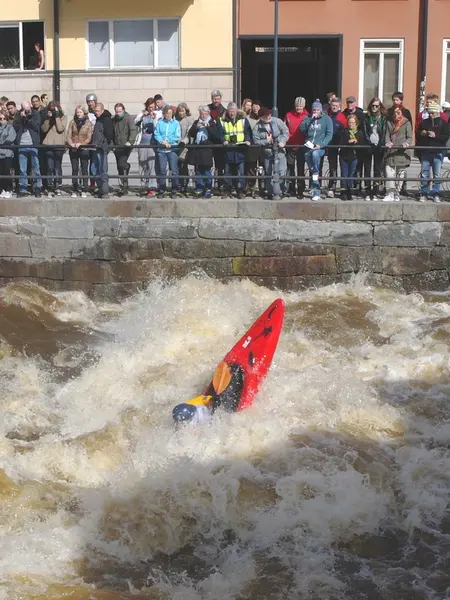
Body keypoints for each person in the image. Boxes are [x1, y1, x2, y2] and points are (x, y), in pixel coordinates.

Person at [172, 362, 245, 426]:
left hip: (213, 407)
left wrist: (212, 400)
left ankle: (234, 376)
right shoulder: (196, 415)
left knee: (220, 399)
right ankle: (233, 376)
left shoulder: (198, 413)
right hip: (212, 411)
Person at [300, 99, 333, 202]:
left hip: (319, 147)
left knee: (315, 156)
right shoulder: (308, 118)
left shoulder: (327, 119)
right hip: (309, 146)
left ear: (321, 110)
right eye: (314, 110)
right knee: (308, 157)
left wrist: (321, 145)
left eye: (317, 110)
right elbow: (302, 129)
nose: (315, 112)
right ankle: (315, 173)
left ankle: (316, 192)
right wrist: (310, 120)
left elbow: (329, 135)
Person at [253, 107, 289, 200]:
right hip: (268, 153)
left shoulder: (277, 121)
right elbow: (256, 141)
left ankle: (281, 191)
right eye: (266, 115)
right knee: (268, 172)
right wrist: (266, 141)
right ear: (261, 117)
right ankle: (270, 192)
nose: (269, 116)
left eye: (270, 114)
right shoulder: (257, 127)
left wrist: (282, 141)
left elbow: (285, 132)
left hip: (280, 151)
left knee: (282, 171)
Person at [217, 102, 252, 198]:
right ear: (227, 111)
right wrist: (223, 140)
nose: (232, 113)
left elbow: (247, 131)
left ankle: (240, 190)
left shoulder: (243, 120)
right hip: (228, 149)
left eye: (233, 111)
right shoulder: (222, 120)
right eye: (230, 111)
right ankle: (227, 190)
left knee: (240, 172)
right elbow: (219, 133)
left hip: (240, 149)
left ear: (236, 111)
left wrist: (248, 140)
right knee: (227, 171)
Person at [418, 100, 450, 203]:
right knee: (424, 173)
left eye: (433, 113)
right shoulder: (424, 122)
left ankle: (436, 193)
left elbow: (446, 137)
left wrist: (435, 136)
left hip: (438, 151)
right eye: (429, 113)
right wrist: (422, 133)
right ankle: (424, 193)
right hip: (426, 150)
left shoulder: (444, 123)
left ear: (437, 113)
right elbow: (418, 133)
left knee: (437, 174)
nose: (431, 115)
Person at [188, 105, 223, 198]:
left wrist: (208, 127)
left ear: (208, 114)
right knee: (198, 170)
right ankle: (199, 188)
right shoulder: (196, 122)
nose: (203, 116)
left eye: (205, 114)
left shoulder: (212, 122)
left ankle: (208, 189)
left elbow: (216, 136)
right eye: (201, 114)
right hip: (198, 148)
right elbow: (191, 134)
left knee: (207, 170)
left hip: (207, 149)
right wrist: (196, 127)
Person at [383, 106, 413, 202]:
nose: (396, 115)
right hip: (391, 151)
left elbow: (409, 137)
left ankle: (397, 193)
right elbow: (387, 135)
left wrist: (407, 143)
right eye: (394, 113)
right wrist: (387, 142)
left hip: (401, 151)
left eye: (398, 113)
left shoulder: (406, 123)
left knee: (400, 174)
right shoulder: (389, 122)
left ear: (402, 113)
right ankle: (389, 193)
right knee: (389, 173)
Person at [13, 101, 43, 197]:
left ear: (30, 106)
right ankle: (23, 188)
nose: (26, 111)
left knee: (36, 167)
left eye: (27, 109)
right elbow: (15, 128)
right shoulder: (18, 115)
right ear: (22, 108)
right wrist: (21, 119)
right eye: (24, 109)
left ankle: (38, 187)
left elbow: (37, 128)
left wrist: (29, 119)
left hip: (33, 144)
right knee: (22, 169)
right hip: (21, 144)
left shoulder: (35, 114)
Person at [154, 105, 181, 198]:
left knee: (174, 170)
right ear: (164, 114)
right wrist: (163, 141)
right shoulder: (160, 123)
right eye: (167, 113)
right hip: (162, 150)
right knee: (162, 170)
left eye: (170, 113)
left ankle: (174, 189)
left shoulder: (176, 123)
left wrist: (168, 141)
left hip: (172, 149)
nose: (168, 115)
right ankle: (162, 189)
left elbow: (177, 135)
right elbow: (156, 133)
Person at [284, 96, 309, 198]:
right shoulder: (288, 115)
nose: (299, 108)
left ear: (303, 106)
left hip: (302, 146)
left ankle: (300, 190)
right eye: (297, 106)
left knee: (300, 168)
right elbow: (284, 128)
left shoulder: (307, 116)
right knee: (290, 168)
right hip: (290, 145)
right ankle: (291, 189)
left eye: (300, 106)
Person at [363, 97, 387, 201]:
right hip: (369, 145)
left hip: (379, 146)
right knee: (367, 169)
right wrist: (369, 142)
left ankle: (375, 191)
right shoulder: (366, 117)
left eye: (377, 106)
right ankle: (368, 192)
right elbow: (364, 131)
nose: (374, 108)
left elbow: (384, 132)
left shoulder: (383, 118)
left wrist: (380, 143)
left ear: (380, 106)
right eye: (373, 105)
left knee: (377, 169)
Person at [41, 101, 67, 196]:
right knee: (49, 167)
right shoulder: (48, 118)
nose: (53, 111)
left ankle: (57, 185)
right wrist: (48, 118)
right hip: (48, 145)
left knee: (57, 167)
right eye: (51, 109)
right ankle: (49, 185)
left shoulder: (64, 117)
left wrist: (56, 116)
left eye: (54, 109)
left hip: (59, 145)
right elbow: (44, 129)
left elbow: (60, 128)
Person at [67, 105, 93, 198]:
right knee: (75, 169)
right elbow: (68, 135)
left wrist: (81, 144)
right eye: (77, 112)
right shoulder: (72, 122)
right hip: (74, 148)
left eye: (80, 112)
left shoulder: (88, 123)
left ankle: (84, 188)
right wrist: (71, 143)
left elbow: (89, 138)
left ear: (84, 113)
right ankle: (75, 188)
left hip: (84, 148)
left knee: (84, 168)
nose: (78, 114)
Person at [135, 97, 158, 197]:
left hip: (152, 144)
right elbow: (136, 122)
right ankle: (144, 185)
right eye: (149, 107)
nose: (150, 109)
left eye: (152, 107)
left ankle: (152, 188)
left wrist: (154, 119)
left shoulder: (158, 115)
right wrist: (142, 116)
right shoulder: (142, 113)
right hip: (142, 143)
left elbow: (158, 127)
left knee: (151, 165)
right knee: (142, 164)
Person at [112, 102, 137, 195]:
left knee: (122, 163)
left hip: (126, 145)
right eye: (116, 111)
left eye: (120, 111)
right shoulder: (114, 120)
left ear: (123, 110)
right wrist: (112, 145)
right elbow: (112, 132)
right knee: (119, 167)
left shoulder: (128, 118)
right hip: (117, 145)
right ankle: (124, 186)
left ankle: (127, 167)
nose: (118, 113)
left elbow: (133, 130)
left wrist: (130, 141)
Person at [325, 97, 346, 198]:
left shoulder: (342, 117)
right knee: (326, 167)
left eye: (336, 106)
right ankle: (322, 187)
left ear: (339, 106)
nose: (334, 107)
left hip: (337, 145)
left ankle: (336, 188)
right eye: (333, 105)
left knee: (337, 168)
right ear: (330, 105)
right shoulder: (325, 114)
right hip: (327, 144)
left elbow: (345, 132)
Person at [339, 114, 364, 200]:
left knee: (352, 174)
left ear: (356, 123)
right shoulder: (344, 132)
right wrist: (348, 141)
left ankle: (349, 191)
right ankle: (343, 191)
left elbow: (362, 145)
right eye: (349, 122)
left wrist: (356, 141)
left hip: (354, 156)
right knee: (344, 174)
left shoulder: (359, 133)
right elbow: (341, 142)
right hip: (344, 156)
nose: (351, 124)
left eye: (353, 122)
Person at [92, 102, 113, 198]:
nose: (96, 113)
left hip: (101, 147)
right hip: (96, 147)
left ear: (102, 110)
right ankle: (101, 188)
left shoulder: (106, 120)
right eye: (95, 111)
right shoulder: (98, 119)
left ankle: (104, 190)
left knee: (102, 169)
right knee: (94, 168)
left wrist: (103, 143)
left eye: (98, 111)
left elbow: (109, 134)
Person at [175, 102, 194, 195]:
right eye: (179, 111)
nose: (181, 113)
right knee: (177, 166)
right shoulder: (176, 120)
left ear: (186, 111)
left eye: (182, 111)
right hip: (176, 146)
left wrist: (184, 141)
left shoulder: (189, 120)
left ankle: (185, 185)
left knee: (183, 165)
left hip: (185, 147)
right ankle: (179, 184)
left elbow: (189, 133)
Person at [0, 111, 16, 198]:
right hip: (0, 153)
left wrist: (2, 142)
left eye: (4, 118)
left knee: (7, 172)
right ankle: (2, 189)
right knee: (1, 172)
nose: (2, 120)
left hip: (7, 154)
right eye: (0, 118)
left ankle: (8, 189)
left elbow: (10, 139)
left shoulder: (10, 127)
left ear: (7, 119)